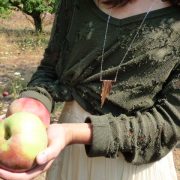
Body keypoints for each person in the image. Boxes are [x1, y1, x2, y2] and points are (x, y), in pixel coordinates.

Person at [1, 0, 180, 179]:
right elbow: (50, 69)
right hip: (68, 154)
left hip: (132, 167)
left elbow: (168, 124)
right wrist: (31, 106)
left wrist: (72, 134)